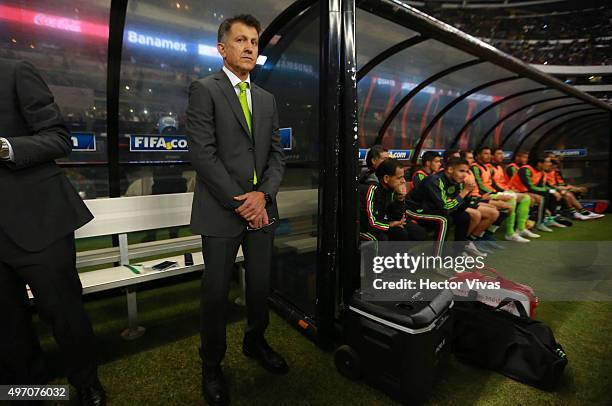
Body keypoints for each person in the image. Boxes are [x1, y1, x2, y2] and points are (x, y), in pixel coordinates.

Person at [186, 15, 287, 406]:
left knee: (260, 287)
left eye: (255, 42)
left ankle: (255, 342)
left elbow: (277, 155)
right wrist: (244, 201)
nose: (249, 47)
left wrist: (263, 195)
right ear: (222, 48)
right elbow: (203, 155)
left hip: (261, 209)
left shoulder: (266, 99)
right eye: (241, 40)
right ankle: (212, 364)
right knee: (215, 294)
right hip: (223, 211)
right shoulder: (204, 90)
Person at [0, 58, 105, 404]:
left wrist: (4, 148)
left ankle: (86, 382)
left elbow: (59, 137)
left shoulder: (14, 71)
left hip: (37, 218)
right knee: (8, 327)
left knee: (63, 313)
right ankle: (30, 390)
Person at [405, 157, 485, 257]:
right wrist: (464, 191)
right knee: (444, 220)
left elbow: (459, 208)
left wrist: (468, 194)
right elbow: (446, 208)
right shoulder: (435, 180)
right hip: (415, 210)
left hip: (433, 209)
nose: (465, 174)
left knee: (464, 216)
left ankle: (458, 252)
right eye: (461, 171)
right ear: (450, 170)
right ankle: (436, 258)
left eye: (467, 171)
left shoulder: (456, 181)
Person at [473, 147, 537, 243]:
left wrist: (503, 191)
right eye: (485, 153)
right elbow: (480, 185)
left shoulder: (488, 168)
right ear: (478, 155)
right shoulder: (475, 167)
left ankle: (520, 228)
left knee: (526, 198)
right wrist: (497, 194)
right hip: (484, 194)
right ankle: (509, 233)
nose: (489, 156)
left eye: (489, 153)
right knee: (510, 201)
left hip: (494, 192)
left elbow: (493, 183)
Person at [359, 159, 427, 242]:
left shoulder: (391, 189)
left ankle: (401, 254)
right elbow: (371, 222)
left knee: (418, 233)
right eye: (399, 178)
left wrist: (400, 199)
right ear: (386, 178)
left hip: (382, 222)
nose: (403, 181)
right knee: (384, 238)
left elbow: (396, 218)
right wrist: (389, 225)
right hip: (363, 227)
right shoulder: (372, 189)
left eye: (403, 177)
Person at [508, 155, 562, 232]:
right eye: (547, 162)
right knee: (541, 197)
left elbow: (542, 186)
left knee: (552, 195)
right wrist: (550, 191)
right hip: (514, 191)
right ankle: (535, 224)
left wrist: (554, 191)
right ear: (539, 163)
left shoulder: (542, 172)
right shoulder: (525, 169)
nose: (550, 164)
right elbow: (530, 187)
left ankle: (547, 219)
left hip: (526, 191)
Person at [546, 156, 603, 220]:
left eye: (555, 167)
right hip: (549, 190)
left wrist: (575, 188)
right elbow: (550, 186)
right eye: (552, 167)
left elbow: (562, 184)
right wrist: (571, 188)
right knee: (565, 192)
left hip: (556, 189)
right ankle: (582, 212)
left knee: (566, 192)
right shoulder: (544, 172)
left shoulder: (555, 172)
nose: (554, 168)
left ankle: (577, 212)